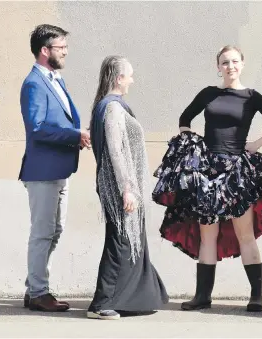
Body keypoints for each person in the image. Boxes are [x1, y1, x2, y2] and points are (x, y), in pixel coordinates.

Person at [152, 46, 262, 312]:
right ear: (218, 67)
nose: (230, 66)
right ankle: (202, 296)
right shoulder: (208, 93)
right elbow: (185, 118)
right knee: (208, 235)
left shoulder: (251, 97)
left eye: (235, 61)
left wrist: (257, 144)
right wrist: (188, 142)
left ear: (242, 64)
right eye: (225, 62)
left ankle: (256, 296)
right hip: (206, 171)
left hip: (238, 171)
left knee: (245, 234)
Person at [88, 56, 169, 320]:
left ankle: (131, 297)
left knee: (126, 240)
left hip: (120, 187)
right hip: (118, 188)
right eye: (130, 75)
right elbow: (116, 151)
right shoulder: (111, 108)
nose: (132, 80)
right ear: (119, 78)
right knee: (120, 241)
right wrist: (126, 188)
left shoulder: (108, 106)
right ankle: (101, 304)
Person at [19, 24, 90, 312]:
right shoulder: (34, 83)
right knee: (42, 232)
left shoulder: (55, 79)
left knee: (55, 230)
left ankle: (34, 286)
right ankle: (38, 292)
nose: (66, 53)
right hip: (43, 172)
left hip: (59, 169)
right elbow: (37, 128)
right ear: (44, 50)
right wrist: (76, 136)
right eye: (61, 48)